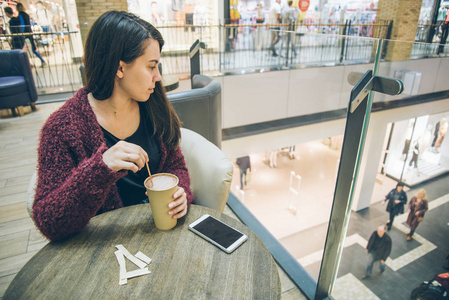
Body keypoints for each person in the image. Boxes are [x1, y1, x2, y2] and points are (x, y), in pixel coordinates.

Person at [32, 11, 193, 242]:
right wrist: (100, 169)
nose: (158, 77)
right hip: (107, 249)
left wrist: (181, 194)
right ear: (120, 68)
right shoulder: (62, 128)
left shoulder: (154, 107)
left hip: (164, 237)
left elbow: (176, 166)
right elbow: (49, 221)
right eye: (151, 66)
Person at [16, 3, 46, 67]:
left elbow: (22, 24)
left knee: (22, 49)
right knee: (33, 48)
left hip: (25, 34)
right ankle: (42, 61)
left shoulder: (20, 15)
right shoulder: (26, 14)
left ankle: (28, 63)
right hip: (30, 32)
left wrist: (22, 33)